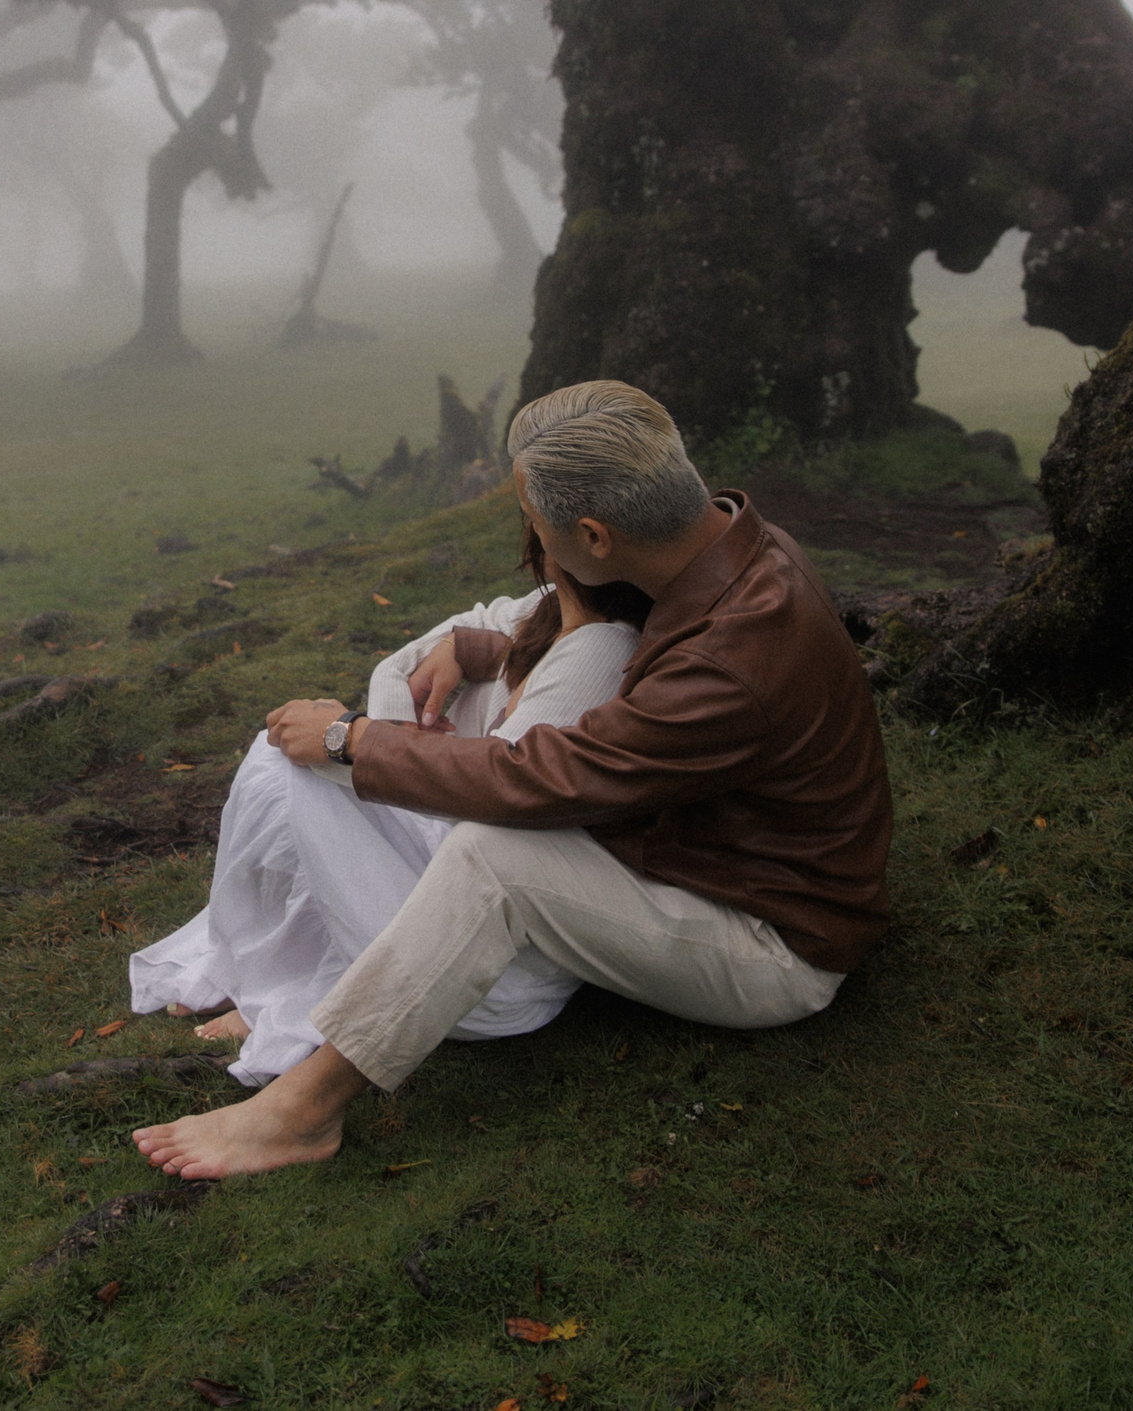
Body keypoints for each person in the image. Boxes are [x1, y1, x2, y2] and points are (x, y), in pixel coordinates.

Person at [132, 379, 893, 1180]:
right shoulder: (731, 548)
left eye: (534, 520)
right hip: (706, 864)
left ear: (595, 537)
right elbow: (636, 667)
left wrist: (349, 738)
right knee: (482, 843)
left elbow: (539, 775)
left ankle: (304, 1112)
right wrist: (484, 649)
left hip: (773, 940)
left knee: (496, 860)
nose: (527, 534)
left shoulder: (732, 658)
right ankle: (303, 990)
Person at [127, 529, 653, 1085]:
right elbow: (402, 663)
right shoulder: (545, 613)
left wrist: (351, 743)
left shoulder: (600, 647)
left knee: (283, 764)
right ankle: (279, 973)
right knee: (285, 756)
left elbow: (496, 807)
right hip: (456, 865)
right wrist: (399, 724)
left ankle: (285, 986)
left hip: (489, 964)